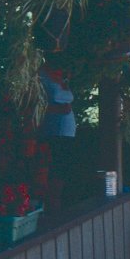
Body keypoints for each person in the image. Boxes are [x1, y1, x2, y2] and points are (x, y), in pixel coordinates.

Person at [38, 59, 76, 213]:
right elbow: (38, 105)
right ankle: (52, 205)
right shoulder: (42, 76)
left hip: (67, 130)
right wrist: (56, 110)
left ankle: (57, 203)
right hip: (54, 129)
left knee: (63, 166)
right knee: (56, 167)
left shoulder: (61, 78)